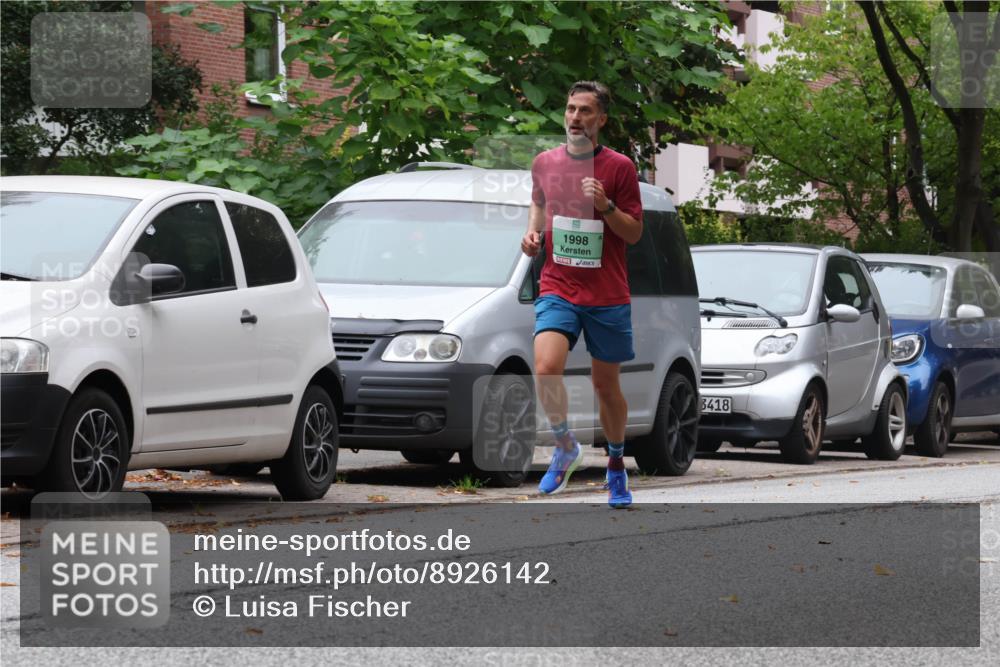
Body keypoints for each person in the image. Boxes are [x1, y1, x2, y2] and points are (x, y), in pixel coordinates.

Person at [520, 81, 643, 508]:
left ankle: (614, 465)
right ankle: (565, 444)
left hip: (607, 293)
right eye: (571, 109)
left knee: (605, 385)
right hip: (558, 285)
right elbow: (538, 203)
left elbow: (635, 232)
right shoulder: (545, 162)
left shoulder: (620, 168)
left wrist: (607, 207)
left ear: (601, 119)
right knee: (546, 367)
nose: (575, 117)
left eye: (585, 111)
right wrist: (533, 232)